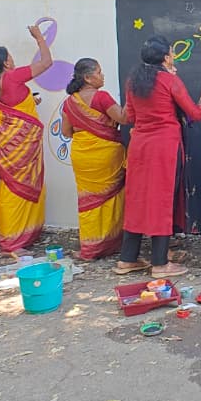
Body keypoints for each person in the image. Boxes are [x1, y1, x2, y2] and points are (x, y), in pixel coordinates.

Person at [116, 36, 201, 278]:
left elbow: (130, 116)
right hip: (165, 147)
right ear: (166, 58)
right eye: (172, 52)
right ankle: (160, 263)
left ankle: (127, 259)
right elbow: (195, 114)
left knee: (137, 200)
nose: (174, 56)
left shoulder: (133, 81)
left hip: (140, 146)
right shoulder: (169, 80)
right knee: (161, 201)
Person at [0, 26, 53, 256]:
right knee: (17, 189)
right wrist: (39, 37)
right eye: (10, 56)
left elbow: (14, 109)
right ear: (5, 62)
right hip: (22, 145)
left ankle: (21, 235)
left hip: (11, 148)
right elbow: (46, 63)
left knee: (12, 186)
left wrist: (31, 101)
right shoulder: (13, 76)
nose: (13, 59)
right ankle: (11, 243)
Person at [61, 58, 129, 260]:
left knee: (88, 201)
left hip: (82, 155)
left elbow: (66, 132)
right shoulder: (101, 97)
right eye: (99, 72)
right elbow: (123, 118)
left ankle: (90, 247)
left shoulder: (69, 102)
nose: (102, 76)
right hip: (105, 155)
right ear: (88, 78)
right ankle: (110, 243)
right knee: (111, 198)